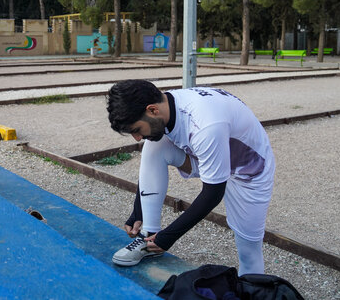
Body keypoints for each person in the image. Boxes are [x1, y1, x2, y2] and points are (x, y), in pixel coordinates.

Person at [106, 80, 275, 275]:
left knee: (249, 251)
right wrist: (139, 210)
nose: (137, 138)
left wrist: (168, 237)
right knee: (154, 145)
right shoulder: (164, 104)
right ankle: (148, 237)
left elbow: (212, 194)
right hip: (206, 155)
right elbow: (151, 164)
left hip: (249, 171)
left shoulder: (205, 124)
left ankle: (252, 288)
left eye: (136, 130)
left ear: (152, 110)